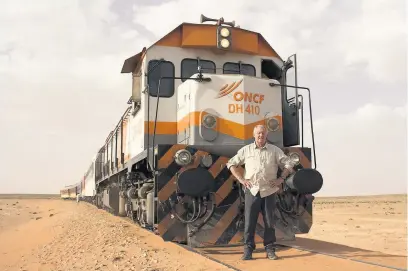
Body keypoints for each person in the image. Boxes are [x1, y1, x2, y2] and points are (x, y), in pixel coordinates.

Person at [226, 124, 293, 260]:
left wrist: (281, 179)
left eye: (263, 133)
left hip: (269, 191)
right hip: (252, 191)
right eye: (258, 133)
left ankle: (270, 249)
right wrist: (241, 179)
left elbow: (289, 164)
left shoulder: (274, 150)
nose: (260, 136)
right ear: (254, 135)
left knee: (270, 222)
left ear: (266, 135)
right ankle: (248, 250)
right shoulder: (247, 150)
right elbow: (231, 163)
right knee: (250, 222)